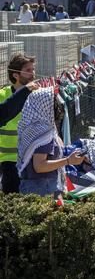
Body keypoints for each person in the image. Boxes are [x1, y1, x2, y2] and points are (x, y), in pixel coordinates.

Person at [16, 89, 84, 197]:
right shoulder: (42, 132)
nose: (58, 107)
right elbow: (39, 166)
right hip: (42, 190)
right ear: (44, 107)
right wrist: (68, 161)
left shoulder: (32, 128)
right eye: (55, 104)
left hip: (33, 187)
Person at [0, 54, 37, 193]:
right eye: (28, 70)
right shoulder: (3, 95)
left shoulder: (37, 94)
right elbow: (5, 112)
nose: (32, 73)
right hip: (8, 159)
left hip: (32, 158)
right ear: (16, 75)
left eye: (33, 69)